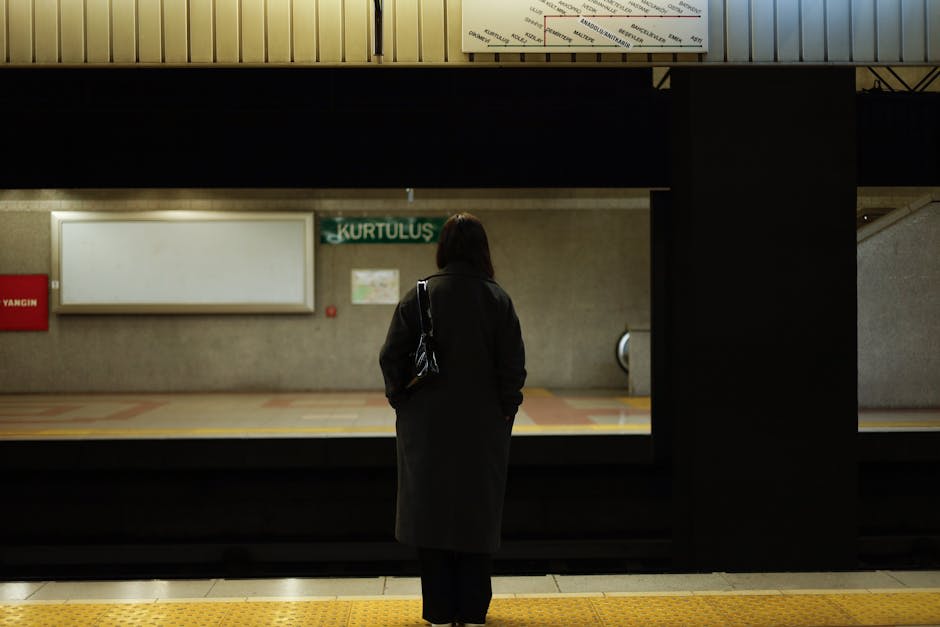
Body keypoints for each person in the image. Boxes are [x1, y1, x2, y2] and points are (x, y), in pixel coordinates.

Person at [379, 213, 527, 627]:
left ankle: (440, 610)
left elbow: (391, 356)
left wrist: (402, 401)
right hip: (482, 429)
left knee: (432, 514)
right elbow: (513, 366)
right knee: (475, 515)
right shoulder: (497, 299)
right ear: (483, 249)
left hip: (426, 428)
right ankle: (474, 610)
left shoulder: (420, 295)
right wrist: (504, 410)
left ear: (443, 249)